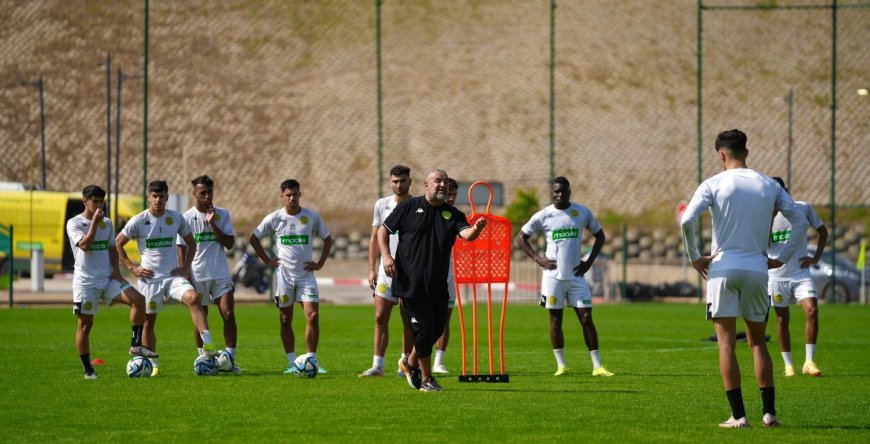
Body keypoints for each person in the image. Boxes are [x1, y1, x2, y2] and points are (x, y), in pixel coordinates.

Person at [681, 129, 808, 428]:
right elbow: (800, 221)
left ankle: (738, 416)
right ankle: (769, 414)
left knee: (726, 343)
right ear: (746, 152)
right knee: (757, 344)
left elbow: (687, 219)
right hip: (757, 269)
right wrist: (782, 256)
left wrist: (694, 256)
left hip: (722, 269)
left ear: (721, 155)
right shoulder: (768, 184)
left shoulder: (712, 183)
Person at [379, 169, 487, 392]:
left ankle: (409, 362)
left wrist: (476, 229)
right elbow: (383, 230)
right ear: (426, 185)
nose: (443, 185)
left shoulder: (453, 214)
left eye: (445, 182)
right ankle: (427, 379)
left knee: (437, 329)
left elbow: (466, 235)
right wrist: (387, 256)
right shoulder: (408, 207)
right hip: (410, 283)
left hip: (437, 284)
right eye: (438, 181)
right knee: (424, 330)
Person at [117, 180, 218, 376]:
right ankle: (153, 365)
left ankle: (209, 344)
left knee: (194, 298)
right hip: (150, 279)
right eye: (154, 196)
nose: (158, 200)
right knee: (149, 321)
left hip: (172, 278)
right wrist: (132, 268)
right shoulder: (139, 220)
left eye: (161, 196)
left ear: (167, 197)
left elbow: (191, 243)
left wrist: (185, 267)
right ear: (148, 197)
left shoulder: (176, 219)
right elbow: (118, 243)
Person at [515, 176, 612, 378]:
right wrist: (538, 259)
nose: (559, 195)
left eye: (563, 191)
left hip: (576, 276)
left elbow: (600, 236)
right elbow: (521, 237)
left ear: (569, 192)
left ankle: (598, 366)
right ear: (552, 193)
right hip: (553, 278)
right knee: (555, 320)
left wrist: (589, 262)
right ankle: (561, 366)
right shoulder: (544, 215)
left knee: (586, 318)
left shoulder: (581, 212)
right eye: (556, 191)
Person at [66, 185, 157, 379]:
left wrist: (116, 272)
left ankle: (135, 345)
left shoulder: (106, 223)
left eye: (101, 201)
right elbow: (84, 245)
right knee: (85, 325)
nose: (99, 205)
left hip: (107, 280)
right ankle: (88, 369)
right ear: (85, 202)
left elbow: (112, 249)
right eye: (95, 201)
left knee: (139, 300)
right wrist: (94, 225)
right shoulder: (74, 223)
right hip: (86, 283)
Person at [249, 179, 333, 375]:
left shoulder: (311, 216)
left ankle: (311, 359)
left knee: (313, 316)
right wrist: (267, 260)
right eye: (288, 195)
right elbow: (254, 238)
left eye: (295, 194)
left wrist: (319, 263)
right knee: (285, 319)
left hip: (306, 276)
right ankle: (291, 362)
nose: (292, 198)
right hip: (283, 278)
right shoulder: (274, 218)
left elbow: (328, 239)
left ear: (299, 195)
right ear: (282, 197)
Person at [176, 175, 241, 373]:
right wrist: (185, 274)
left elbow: (230, 244)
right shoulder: (186, 218)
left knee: (228, 313)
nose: (207, 196)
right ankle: (204, 358)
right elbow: (181, 248)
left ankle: (229, 359)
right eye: (202, 192)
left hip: (220, 273)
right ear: (194, 194)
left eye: (210, 192)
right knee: (201, 318)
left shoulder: (223, 214)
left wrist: (213, 224)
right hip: (198, 274)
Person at [768, 176, 828, 377]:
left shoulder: (802, 208)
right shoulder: (765, 215)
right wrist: (770, 215)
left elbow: (823, 231)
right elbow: (762, 242)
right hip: (776, 277)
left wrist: (816, 257)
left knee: (811, 310)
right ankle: (788, 365)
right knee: (782, 320)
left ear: (785, 191)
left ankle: (809, 361)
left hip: (801, 274)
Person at [359, 165, 415, 378]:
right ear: (390, 182)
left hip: (409, 272)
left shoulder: (417, 205)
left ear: (410, 181)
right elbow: (375, 237)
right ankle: (377, 366)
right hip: (385, 270)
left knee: (407, 318)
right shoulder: (381, 205)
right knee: (381, 316)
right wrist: (372, 268)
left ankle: (405, 364)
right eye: (394, 181)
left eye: (402, 181)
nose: (398, 185)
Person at [432, 177, 460, 374]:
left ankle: (438, 362)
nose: (450, 198)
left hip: (449, 273)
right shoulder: (430, 212)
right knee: (422, 319)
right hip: (427, 273)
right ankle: (411, 359)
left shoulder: (457, 216)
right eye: (448, 193)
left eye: (454, 195)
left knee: (445, 319)